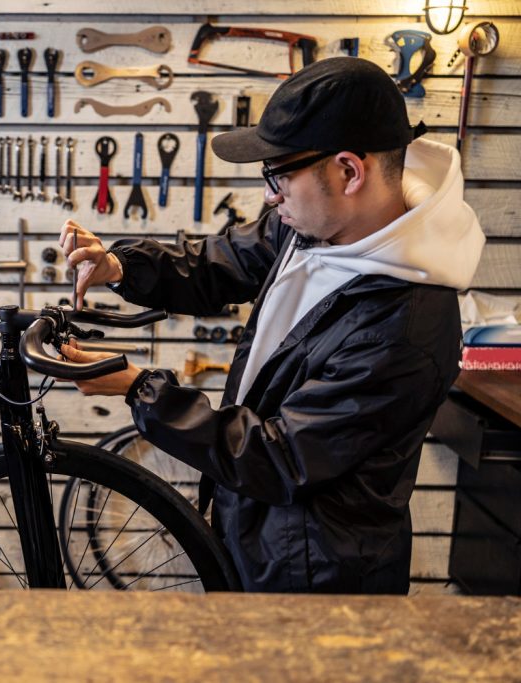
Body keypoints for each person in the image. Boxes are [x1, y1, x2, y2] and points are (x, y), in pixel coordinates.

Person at [58, 57, 485, 593]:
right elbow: (224, 260)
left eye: (278, 174)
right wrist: (121, 267)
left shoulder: (404, 327)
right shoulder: (322, 226)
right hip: (257, 533)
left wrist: (140, 390)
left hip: (315, 577)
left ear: (349, 171)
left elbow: (279, 455)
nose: (269, 194)